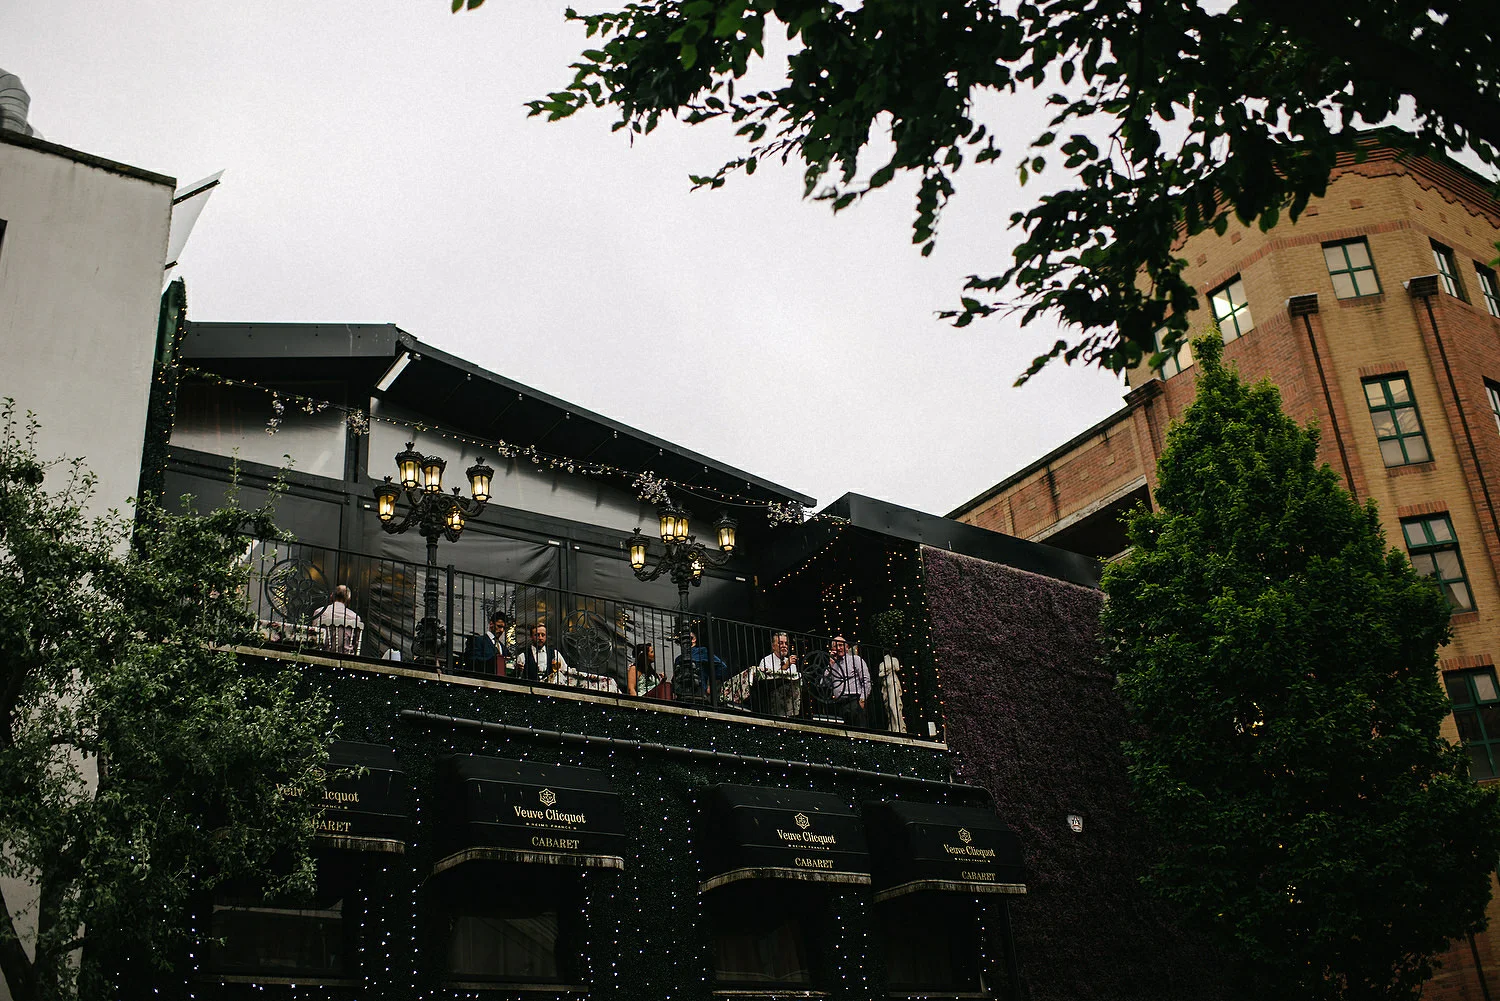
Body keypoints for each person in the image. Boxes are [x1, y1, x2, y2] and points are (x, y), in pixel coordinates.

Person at [825, 635, 871, 727]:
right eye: (835, 646)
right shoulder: (832, 664)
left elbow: (866, 680)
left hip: (853, 700)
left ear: (846, 647)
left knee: (858, 730)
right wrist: (830, 665)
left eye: (841, 645)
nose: (838, 648)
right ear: (832, 649)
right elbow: (824, 683)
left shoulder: (855, 659)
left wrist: (862, 700)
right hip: (838, 704)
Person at [673, 629, 730, 700]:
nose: (683, 641)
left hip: (698, 691)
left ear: (694, 639)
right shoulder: (678, 658)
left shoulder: (702, 651)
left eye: (686, 638)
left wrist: (712, 686)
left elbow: (722, 667)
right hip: (681, 693)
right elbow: (675, 676)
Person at [754, 632, 801, 716]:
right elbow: (766, 682)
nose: (784, 646)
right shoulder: (766, 661)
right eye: (780, 643)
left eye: (786, 643)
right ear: (773, 646)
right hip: (771, 697)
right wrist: (785, 666)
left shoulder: (792, 664)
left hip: (789, 699)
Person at [309, 585, 363, 656]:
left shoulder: (319, 612)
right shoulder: (355, 617)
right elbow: (356, 643)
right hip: (346, 656)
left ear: (332, 596)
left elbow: (313, 637)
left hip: (322, 654)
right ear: (348, 599)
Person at [464, 608, 510, 677]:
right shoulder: (478, 640)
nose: (502, 630)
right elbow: (471, 661)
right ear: (491, 624)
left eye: (504, 628)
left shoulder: (504, 648)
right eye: (499, 626)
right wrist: (492, 661)